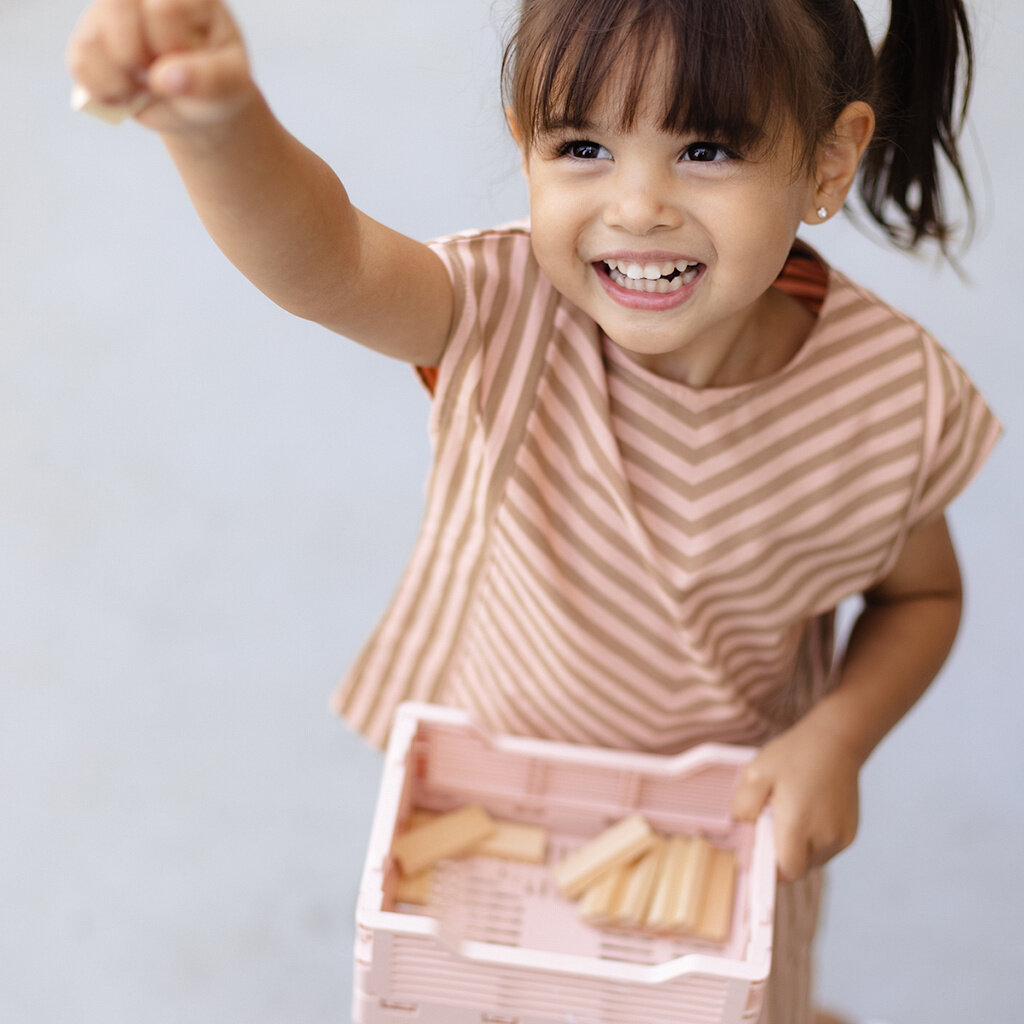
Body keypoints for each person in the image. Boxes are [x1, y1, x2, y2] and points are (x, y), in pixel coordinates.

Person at [67, 0, 1000, 1021]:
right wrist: (220, 127)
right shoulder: (503, 310)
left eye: (706, 148)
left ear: (828, 161)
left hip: (723, 827)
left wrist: (836, 738)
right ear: (525, 146)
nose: (637, 206)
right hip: (487, 794)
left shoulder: (885, 400)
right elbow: (326, 262)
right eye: (584, 145)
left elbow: (923, 597)